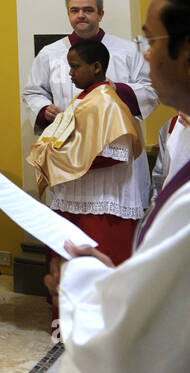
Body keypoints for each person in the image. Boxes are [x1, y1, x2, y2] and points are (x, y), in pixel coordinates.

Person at [51, 0, 190, 373]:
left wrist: (81, 279)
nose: (145, 53)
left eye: (150, 39)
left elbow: (129, 349)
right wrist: (128, 283)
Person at [23, 0, 157, 210]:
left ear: (100, 14)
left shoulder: (127, 50)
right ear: (68, 14)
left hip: (115, 156)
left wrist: (117, 89)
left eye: (88, 10)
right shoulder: (50, 53)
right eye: (74, 10)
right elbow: (32, 92)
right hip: (68, 151)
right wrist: (44, 109)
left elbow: (150, 89)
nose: (81, 15)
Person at [29, 38, 144, 285]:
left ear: (96, 67)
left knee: (99, 275)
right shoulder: (83, 99)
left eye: (75, 66)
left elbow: (116, 152)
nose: (70, 73)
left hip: (103, 203)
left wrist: (59, 160)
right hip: (76, 197)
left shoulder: (108, 101)